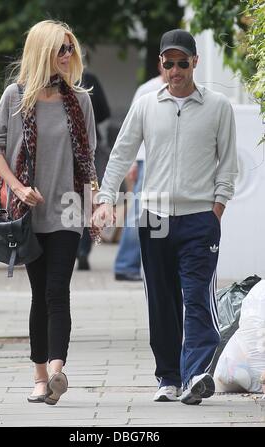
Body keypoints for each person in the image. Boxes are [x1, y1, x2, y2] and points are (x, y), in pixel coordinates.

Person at [93, 29, 238, 405]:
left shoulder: (219, 106)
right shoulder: (146, 104)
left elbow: (228, 165)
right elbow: (121, 154)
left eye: (182, 62)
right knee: (161, 300)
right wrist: (105, 199)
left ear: (195, 62)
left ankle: (195, 375)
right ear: (161, 64)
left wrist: (216, 208)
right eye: (168, 63)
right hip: (154, 219)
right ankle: (168, 377)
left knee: (196, 299)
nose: (175, 70)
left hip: (199, 219)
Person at [0, 20, 99, 405]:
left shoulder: (79, 100)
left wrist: (96, 202)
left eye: (71, 49)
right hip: (27, 216)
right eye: (61, 49)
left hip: (67, 211)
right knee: (39, 295)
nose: (68, 56)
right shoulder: (15, 98)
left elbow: (89, 159)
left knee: (57, 291)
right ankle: (38, 376)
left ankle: (55, 372)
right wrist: (17, 187)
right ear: (42, 52)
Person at [114, 65, 166, 281]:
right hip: (147, 159)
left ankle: (142, 265)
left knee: (159, 215)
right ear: (160, 63)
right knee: (139, 213)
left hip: (167, 162)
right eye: (168, 62)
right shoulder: (148, 89)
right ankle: (126, 264)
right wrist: (133, 162)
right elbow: (132, 129)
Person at [77, 71, 111, 270]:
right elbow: (105, 112)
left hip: (66, 147)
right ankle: (83, 249)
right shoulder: (90, 79)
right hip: (91, 144)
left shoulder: (54, 78)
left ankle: (73, 248)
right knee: (88, 199)